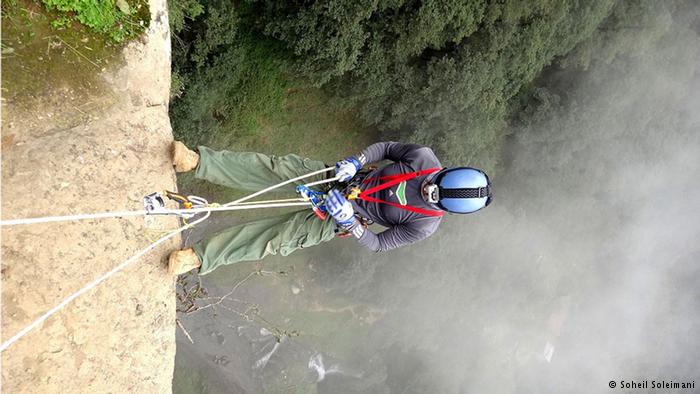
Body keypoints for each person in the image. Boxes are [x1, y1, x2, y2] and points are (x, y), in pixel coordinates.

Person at [168, 141, 492, 275]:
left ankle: (199, 257)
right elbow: (387, 148)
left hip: (338, 219)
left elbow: (379, 244)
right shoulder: (422, 157)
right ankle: (196, 162)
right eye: (432, 183)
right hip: (338, 180)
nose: (426, 190)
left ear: (444, 209)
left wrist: (351, 223)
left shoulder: (424, 225)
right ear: (444, 171)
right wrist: (357, 161)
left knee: (274, 238)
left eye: (433, 196)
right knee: (272, 170)